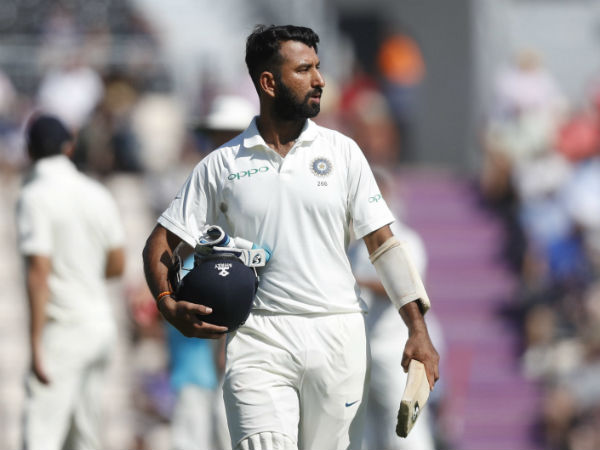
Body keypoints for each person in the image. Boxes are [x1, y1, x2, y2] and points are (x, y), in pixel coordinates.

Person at [142, 24, 439, 450]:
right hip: (258, 335)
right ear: (268, 82)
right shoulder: (220, 165)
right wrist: (166, 303)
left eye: (318, 67)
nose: (320, 80)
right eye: (304, 70)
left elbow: (384, 245)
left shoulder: (343, 153)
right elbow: (160, 243)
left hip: (337, 332)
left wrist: (418, 329)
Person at [16, 114, 125, 450]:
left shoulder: (34, 195)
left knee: (40, 438)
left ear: (29, 151)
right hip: (99, 327)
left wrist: (36, 344)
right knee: (84, 438)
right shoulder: (97, 193)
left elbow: (39, 270)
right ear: (70, 146)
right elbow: (117, 265)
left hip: (63, 331)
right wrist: (83, 271)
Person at [348, 166, 443, 450]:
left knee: (407, 432)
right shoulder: (355, 246)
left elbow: (410, 289)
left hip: (398, 349)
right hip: (365, 348)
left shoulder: (405, 239)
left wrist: (355, 281)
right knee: (368, 433)